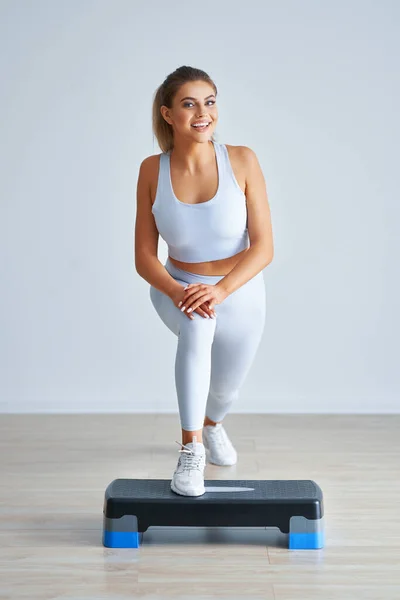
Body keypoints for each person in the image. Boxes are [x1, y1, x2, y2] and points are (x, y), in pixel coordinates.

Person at [134, 65, 274, 497]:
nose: (202, 112)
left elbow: (264, 247)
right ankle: (190, 449)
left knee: (226, 390)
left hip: (240, 287)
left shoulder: (243, 160)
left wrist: (221, 289)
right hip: (176, 285)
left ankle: (212, 424)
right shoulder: (151, 169)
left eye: (209, 102)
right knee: (198, 325)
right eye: (189, 103)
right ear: (168, 114)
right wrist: (179, 291)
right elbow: (143, 257)